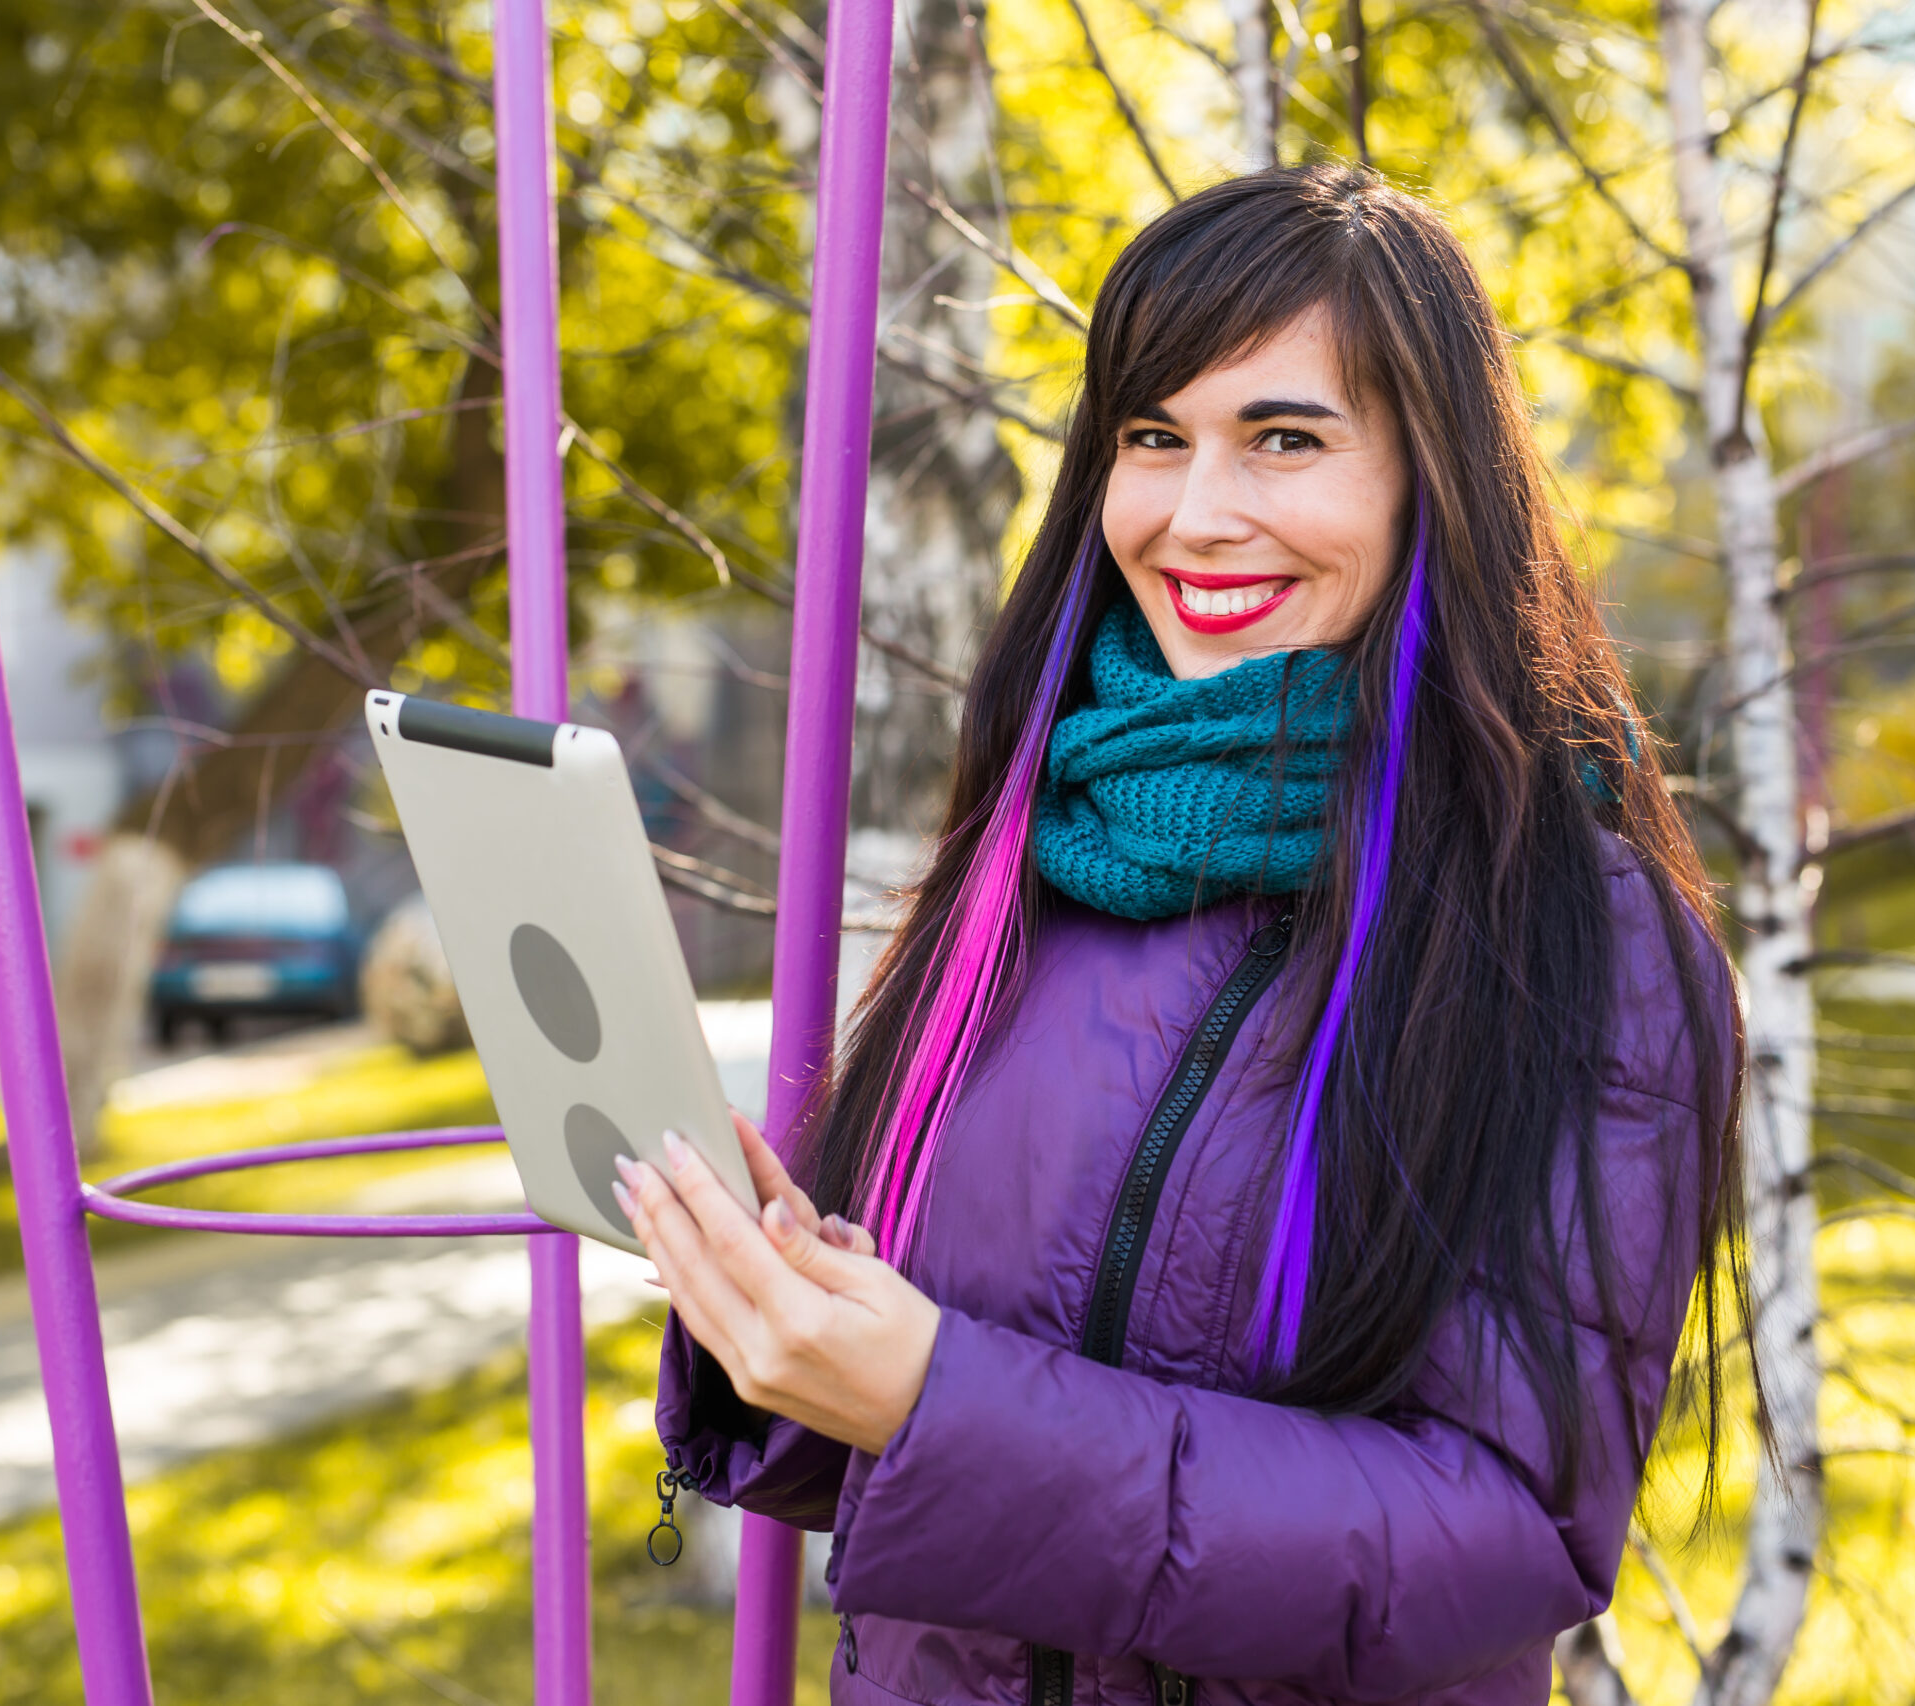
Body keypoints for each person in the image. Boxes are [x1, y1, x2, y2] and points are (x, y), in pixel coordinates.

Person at [615, 165, 1747, 1706]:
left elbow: (1502, 1532)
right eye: (1153, 437)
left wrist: (946, 1401)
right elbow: (926, 1438)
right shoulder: (1039, 847)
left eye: (1284, 438)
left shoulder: (1572, 935)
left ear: (1434, 475)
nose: (1195, 516)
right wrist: (798, 1329)